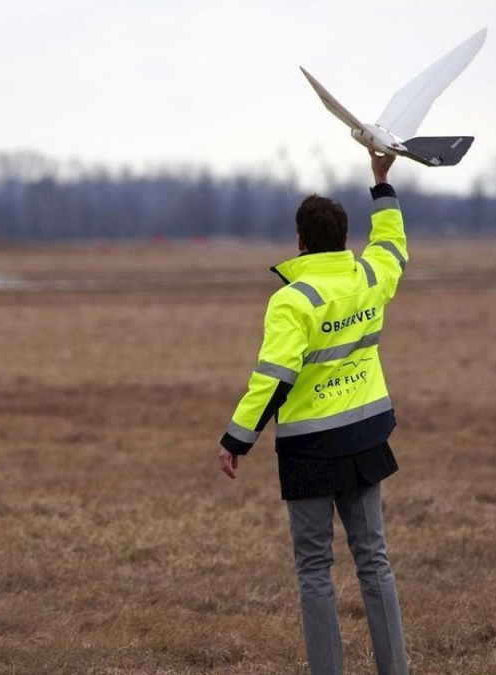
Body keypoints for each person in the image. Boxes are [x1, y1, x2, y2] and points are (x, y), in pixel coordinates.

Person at [217, 149, 409, 675]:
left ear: (300, 242)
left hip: (309, 449)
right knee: (374, 561)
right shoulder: (369, 278)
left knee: (315, 570)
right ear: (345, 239)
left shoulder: (292, 299)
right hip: (367, 439)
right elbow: (392, 246)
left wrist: (236, 439)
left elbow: (273, 378)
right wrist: (381, 182)